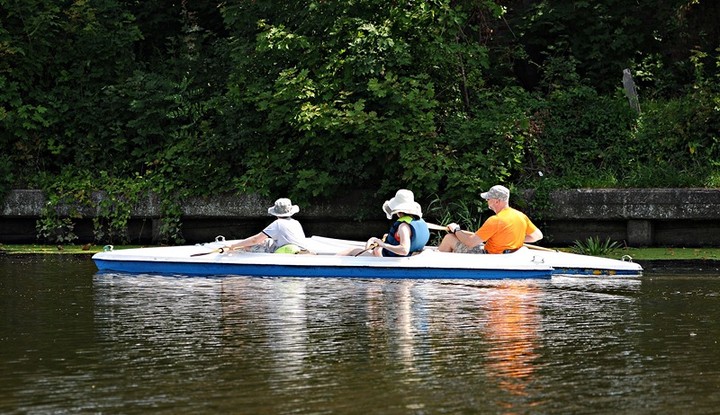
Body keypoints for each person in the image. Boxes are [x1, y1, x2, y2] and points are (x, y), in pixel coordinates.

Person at [438, 185, 543, 254]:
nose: (487, 201)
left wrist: (456, 230)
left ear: (497, 201)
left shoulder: (495, 220)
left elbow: (470, 243)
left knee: (449, 238)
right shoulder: (521, 216)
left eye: (488, 199)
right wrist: (510, 238)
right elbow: (537, 236)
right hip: (507, 255)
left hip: (490, 256)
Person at [345, 189, 430, 257]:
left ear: (398, 212)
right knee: (374, 244)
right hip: (409, 255)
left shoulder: (403, 227)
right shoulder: (417, 221)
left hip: (391, 259)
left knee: (351, 250)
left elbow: (404, 250)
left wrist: (382, 244)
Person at [227, 198, 308, 254]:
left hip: (288, 250)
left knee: (247, 247)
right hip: (300, 248)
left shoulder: (277, 223)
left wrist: (234, 246)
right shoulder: (295, 222)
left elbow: (255, 240)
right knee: (265, 241)